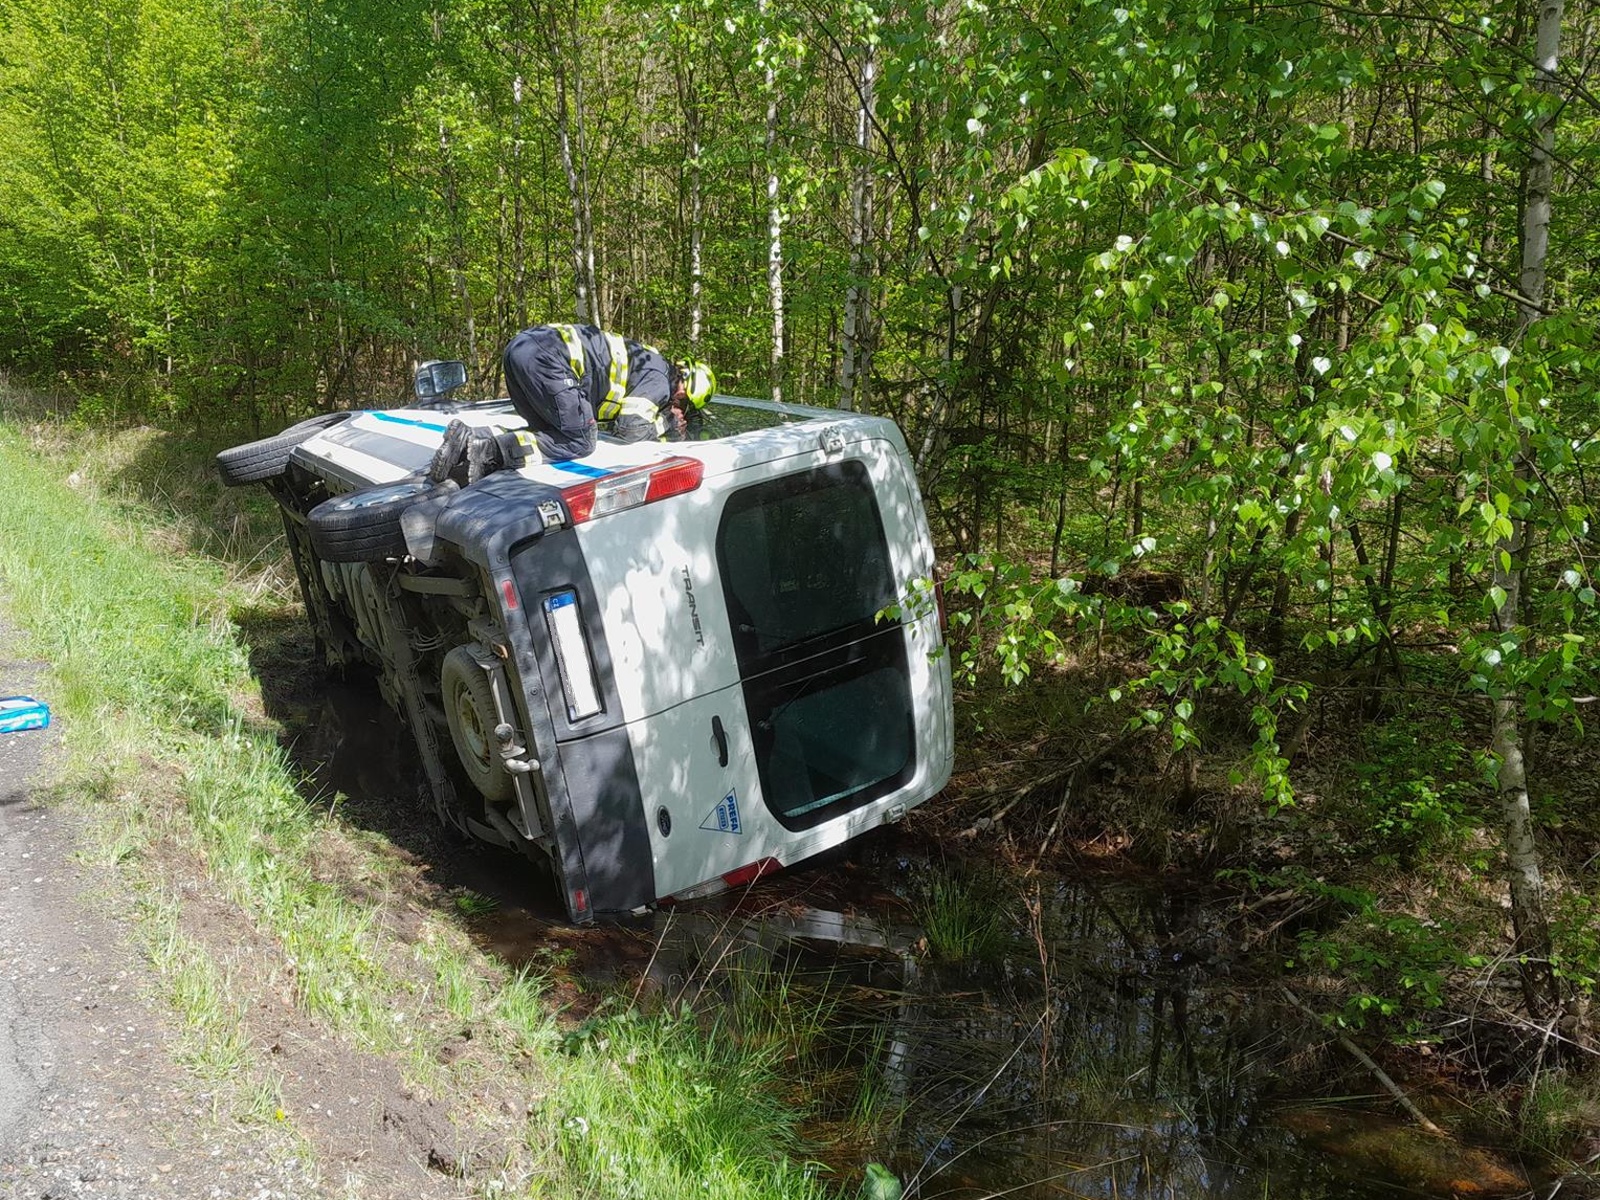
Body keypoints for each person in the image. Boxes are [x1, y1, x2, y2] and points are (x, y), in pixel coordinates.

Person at [501, 323, 715, 462]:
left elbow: (620, 420)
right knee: (580, 441)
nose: (680, 409)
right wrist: (668, 421)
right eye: (684, 405)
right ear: (683, 391)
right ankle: (492, 452)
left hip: (522, 347)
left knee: (548, 433)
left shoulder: (649, 363)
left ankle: (474, 443)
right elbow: (631, 431)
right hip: (549, 358)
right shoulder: (658, 380)